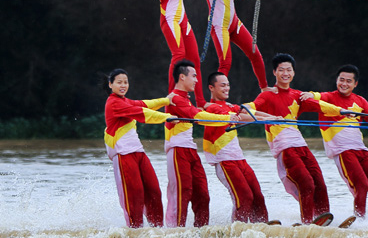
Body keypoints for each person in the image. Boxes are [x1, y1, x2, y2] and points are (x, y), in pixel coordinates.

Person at [243, 53, 345, 224]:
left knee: (320, 183)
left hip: (301, 146)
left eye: (289, 70)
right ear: (274, 72)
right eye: (281, 70)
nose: (285, 73)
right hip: (285, 148)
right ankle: (307, 224)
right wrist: (268, 117)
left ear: (293, 73)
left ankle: (324, 222)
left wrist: (342, 111)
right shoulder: (267, 96)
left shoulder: (298, 95)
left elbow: (322, 107)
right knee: (306, 184)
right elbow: (246, 110)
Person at [301, 65, 368, 217]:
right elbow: (317, 96)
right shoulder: (329, 97)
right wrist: (309, 94)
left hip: (361, 149)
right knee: (362, 185)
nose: (344, 84)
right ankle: (360, 220)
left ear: (355, 84)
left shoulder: (360, 100)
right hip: (343, 151)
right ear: (337, 80)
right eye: (341, 80)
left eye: (348, 81)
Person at [189, 0, 274, 93]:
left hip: (234, 23)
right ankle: (216, 100)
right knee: (225, 63)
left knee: (255, 53)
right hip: (218, 26)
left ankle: (264, 89)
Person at [164, 59, 236, 227]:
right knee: (183, 193)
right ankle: (176, 235)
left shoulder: (186, 99)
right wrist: (226, 118)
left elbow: (199, 113)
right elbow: (199, 117)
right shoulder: (175, 98)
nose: (197, 80)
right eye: (194, 76)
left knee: (202, 195)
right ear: (182, 77)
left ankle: (201, 234)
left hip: (190, 150)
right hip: (177, 151)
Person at [202, 72, 279, 223]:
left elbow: (248, 112)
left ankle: (263, 227)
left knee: (257, 195)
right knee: (244, 197)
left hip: (239, 160)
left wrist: (272, 117)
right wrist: (267, 119)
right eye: (222, 85)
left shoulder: (230, 106)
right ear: (212, 88)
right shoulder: (212, 109)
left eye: (228, 85)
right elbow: (243, 117)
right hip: (225, 162)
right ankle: (238, 232)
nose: (227, 88)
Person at [156, 0, 229, 96]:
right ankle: (172, 96)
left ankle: (201, 101)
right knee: (179, 55)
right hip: (170, 20)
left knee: (194, 59)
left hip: (182, 20)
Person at [103, 68, 171, 228]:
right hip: (123, 155)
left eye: (125, 82)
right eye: (119, 82)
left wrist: (166, 101)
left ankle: (157, 229)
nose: (123, 85)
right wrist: (168, 117)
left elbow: (144, 104)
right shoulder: (113, 103)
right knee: (135, 195)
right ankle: (135, 232)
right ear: (110, 85)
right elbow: (141, 113)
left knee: (154, 191)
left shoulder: (125, 101)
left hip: (138, 152)